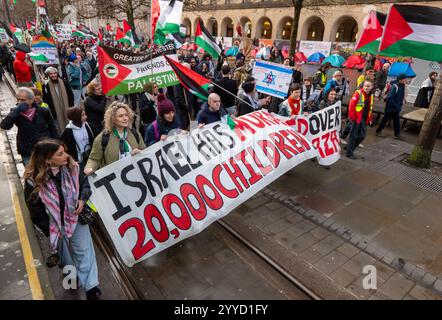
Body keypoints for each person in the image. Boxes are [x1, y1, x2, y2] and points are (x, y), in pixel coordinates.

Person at [23, 138, 101, 300]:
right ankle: (71, 281)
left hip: (75, 219)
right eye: (60, 154)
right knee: (66, 260)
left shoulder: (73, 167)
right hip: (55, 227)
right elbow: (35, 211)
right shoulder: (32, 181)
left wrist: (82, 199)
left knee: (85, 252)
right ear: (47, 159)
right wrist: (48, 230)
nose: (66, 155)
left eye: (64, 151)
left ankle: (92, 288)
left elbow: (85, 184)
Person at [0, 87, 58, 166]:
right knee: (30, 175)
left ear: (31, 100)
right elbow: (4, 126)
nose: (20, 102)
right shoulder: (16, 112)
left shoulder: (43, 111)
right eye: (18, 99)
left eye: (23, 100)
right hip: (26, 150)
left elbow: (52, 128)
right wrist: (16, 111)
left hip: (43, 148)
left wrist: (56, 145)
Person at [84, 102, 145, 174]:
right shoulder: (103, 138)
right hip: (114, 179)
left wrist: (140, 152)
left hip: (136, 175)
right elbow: (94, 159)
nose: (125, 118)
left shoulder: (135, 133)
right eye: (120, 116)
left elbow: (144, 151)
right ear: (113, 119)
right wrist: (89, 168)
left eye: (126, 115)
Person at [346, 80, 374, 159]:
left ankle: (349, 148)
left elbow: (370, 108)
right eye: (365, 85)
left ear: (372, 87)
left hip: (364, 119)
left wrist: (370, 118)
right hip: (356, 118)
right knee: (353, 135)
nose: (366, 87)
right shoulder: (358, 93)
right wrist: (353, 118)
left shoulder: (371, 95)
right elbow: (351, 106)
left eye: (368, 86)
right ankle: (349, 153)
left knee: (362, 136)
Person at [42, 66, 74, 134]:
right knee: (59, 127)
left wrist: (71, 107)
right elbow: (45, 100)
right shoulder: (46, 86)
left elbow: (70, 95)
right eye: (51, 74)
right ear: (48, 75)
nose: (53, 75)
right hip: (55, 111)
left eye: (55, 73)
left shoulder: (64, 82)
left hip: (67, 108)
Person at [376, 74, 408, 139]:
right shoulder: (395, 87)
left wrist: (402, 102)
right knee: (385, 120)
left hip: (396, 107)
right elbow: (389, 98)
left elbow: (400, 96)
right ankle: (378, 131)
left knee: (396, 121)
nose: (406, 80)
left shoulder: (403, 86)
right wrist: (396, 105)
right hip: (390, 107)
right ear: (400, 80)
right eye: (404, 79)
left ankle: (397, 134)